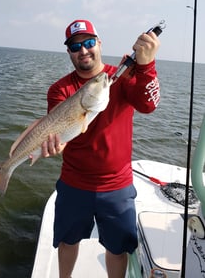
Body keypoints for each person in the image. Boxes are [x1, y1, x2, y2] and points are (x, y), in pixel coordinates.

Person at [40, 19, 160, 278]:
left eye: (89, 42)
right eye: (75, 46)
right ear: (69, 52)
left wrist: (146, 65)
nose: (83, 50)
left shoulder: (121, 78)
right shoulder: (59, 89)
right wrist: (54, 143)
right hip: (74, 183)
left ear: (99, 43)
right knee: (67, 241)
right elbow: (57, 133)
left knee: (117, 249)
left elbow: (149, 105)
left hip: (117, 185)